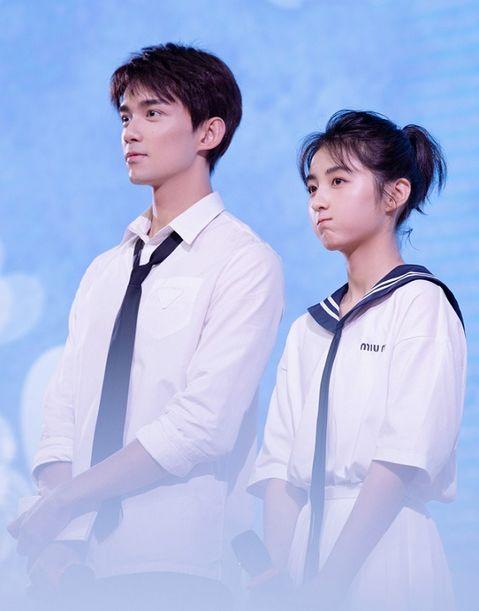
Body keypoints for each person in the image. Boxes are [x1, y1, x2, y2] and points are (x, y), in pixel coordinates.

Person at [8, 43, 284, 611]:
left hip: (178, 563)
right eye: (125, 116)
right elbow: (62, 416)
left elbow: (203, 424)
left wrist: (65, 504)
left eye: (152, 113)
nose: (131, 132)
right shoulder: (104, 270)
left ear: (209, 132)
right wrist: (59, 540)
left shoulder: (244, 261)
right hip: (75, 569)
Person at [247, 110, 466, 611]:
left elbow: (402, 456)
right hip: (304, 556)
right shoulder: (307, 329)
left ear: (394, 195)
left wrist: (331, 582)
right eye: (312, 187)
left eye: (339, 181)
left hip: (386, 546)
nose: (318, 200)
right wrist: (280, 571)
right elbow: (279, 467)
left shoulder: (421, 303)